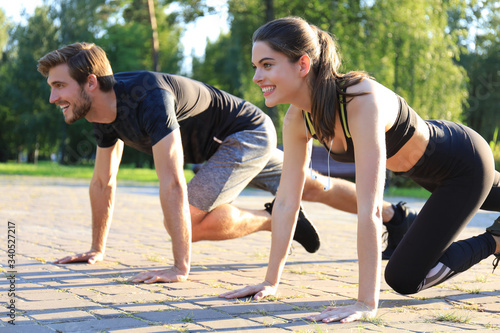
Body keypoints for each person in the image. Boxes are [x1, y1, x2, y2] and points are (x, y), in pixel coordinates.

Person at [37, 42, 414, 284]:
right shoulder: (101, 113)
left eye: (59, 86)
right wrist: (96, 248)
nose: (53, 97)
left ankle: (276, 218)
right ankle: (396, 217)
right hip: (229, 144)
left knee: (184, 222)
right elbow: (103, 182)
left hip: (244, 133)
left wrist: (179, 266)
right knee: (312, 186)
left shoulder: (147, 96)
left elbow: (172, 182)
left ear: (89, 83)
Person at [219, 17, 500, 324]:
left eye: (267, 64)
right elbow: (287, 202)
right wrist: (270, 281)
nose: (257, 76)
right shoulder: (298, 119)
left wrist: (366, 301)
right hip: (430, 178)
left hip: (465, 164)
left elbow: (370, 209)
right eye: (255, 66)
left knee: (404, 278)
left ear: (302, 64)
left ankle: (495, 240)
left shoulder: (360, 99)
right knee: (408, 275)